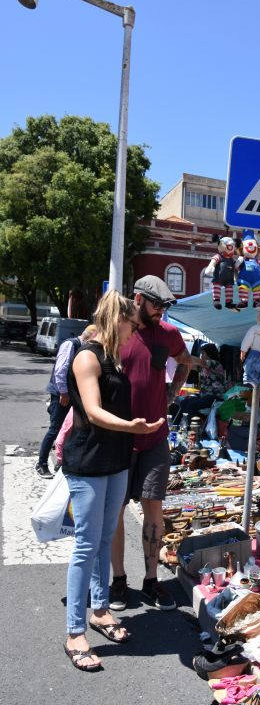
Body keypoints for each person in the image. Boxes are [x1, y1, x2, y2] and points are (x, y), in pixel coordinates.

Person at [62, 290, 164, 672]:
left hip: (116, 461)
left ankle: (101, 610)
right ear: (115, 320)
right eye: (130, 325)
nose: (132, 332)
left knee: (104, 539)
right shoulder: (87, 357)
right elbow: (92, 410)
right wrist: (133, 427)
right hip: (88, 462)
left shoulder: (114, 358)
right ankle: (74, 632)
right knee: (86, 546)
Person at [110, 275, 191, 612]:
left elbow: (184, 361)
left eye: (165, 306)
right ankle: (118, 581)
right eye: (157, 304)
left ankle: (151, 580)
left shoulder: (169, 334)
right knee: (114, 512)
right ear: (138, 299)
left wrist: (172, 394)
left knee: (153, 508)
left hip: (156, 437)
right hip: (117, 439)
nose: (162, 311)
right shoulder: (119, 332)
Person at [35, 323, 97, 478]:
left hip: (72, 395)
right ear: (90, 337)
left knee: (71, 429)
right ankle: (41, 464)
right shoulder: (71, 344)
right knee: (55, 429)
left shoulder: (83, 348)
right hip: (61, 394)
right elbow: (60, 370)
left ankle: (62, 463)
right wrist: (63, 392)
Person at [176, 344, 227, 425]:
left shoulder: (215, 363)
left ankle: (193, 429)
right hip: (205, 396)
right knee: (184, 402)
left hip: (215, 397)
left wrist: (185, 358)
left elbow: (200, 362)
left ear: (209, 354)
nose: (201, 355)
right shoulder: (202, 366)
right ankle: (177, 426)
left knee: (191, 405)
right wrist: (179, 360)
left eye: (203, 353)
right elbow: (192, 366)